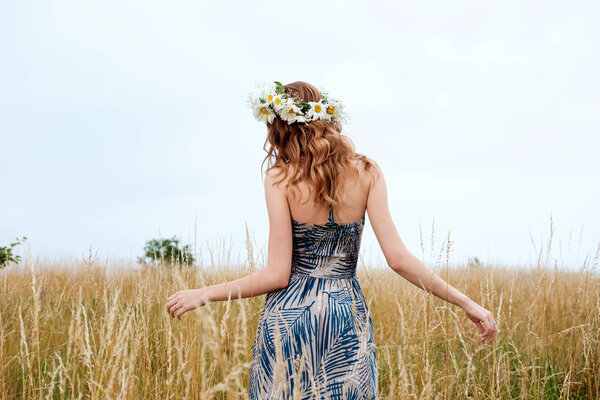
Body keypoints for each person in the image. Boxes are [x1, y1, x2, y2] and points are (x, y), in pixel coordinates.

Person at [166, 81, 499, 399]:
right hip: (344, 316)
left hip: (289, 318)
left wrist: (203, 294)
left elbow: (276, 275)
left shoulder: (280, 179)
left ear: (279, 127)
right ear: (324, 118)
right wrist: (467, 303)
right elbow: (398, 259)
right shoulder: (367, 172)